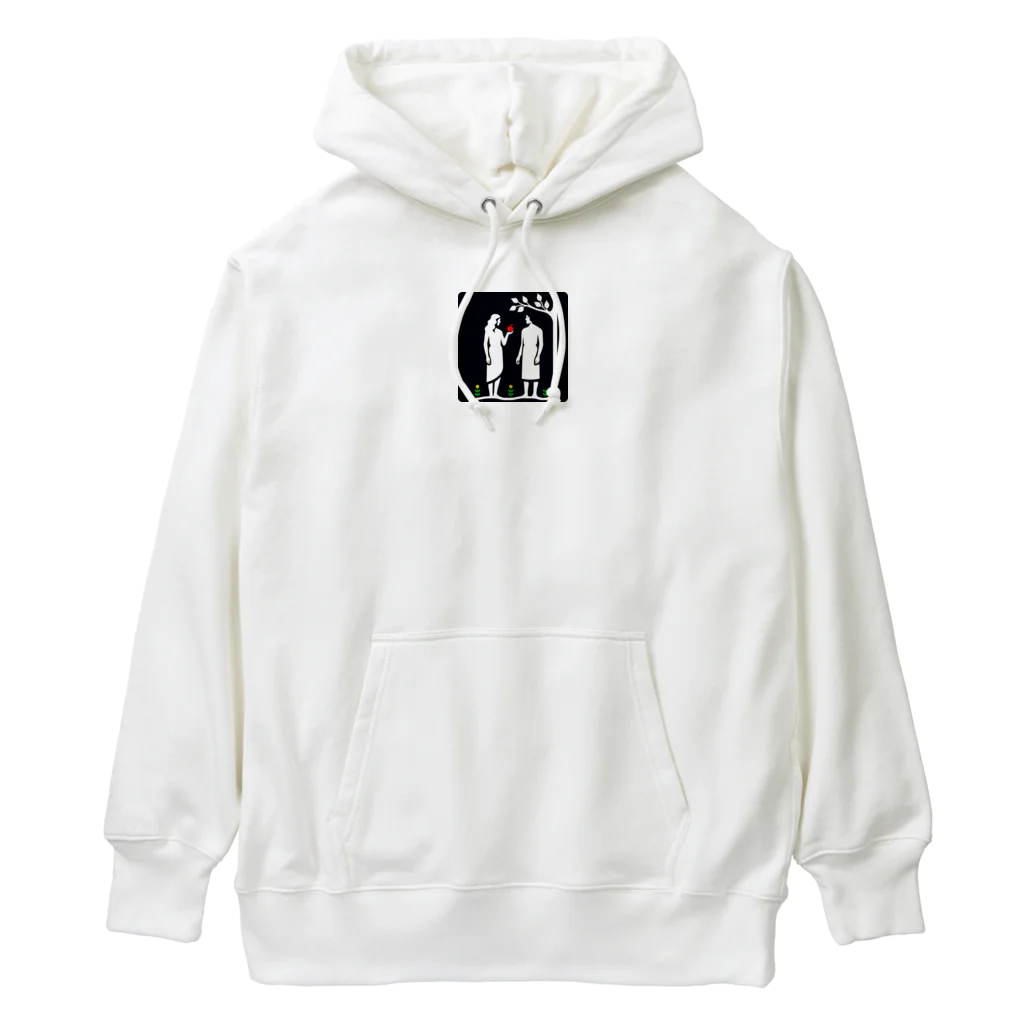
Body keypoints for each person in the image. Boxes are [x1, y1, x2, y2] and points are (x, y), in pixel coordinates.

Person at [516, 315, 544, 398]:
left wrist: (538, 355)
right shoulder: (524, 330)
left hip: (534, 352)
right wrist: (519, 356)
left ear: (531, 318)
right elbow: (521, 344)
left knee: (535, 373)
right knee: (526, 373)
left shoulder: (538, 330)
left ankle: (535, 393)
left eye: (527, 317)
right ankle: (525, 393)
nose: (525, 319)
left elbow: (541, 344)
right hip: (526, 352)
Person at [483, 313, 506, 397]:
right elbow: (485, 344)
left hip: (499, 352)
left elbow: (504, 343)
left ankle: (495, 393)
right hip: (492, 351)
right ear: (495, 321)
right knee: (491, 373)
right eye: (499, 320)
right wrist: (487, 356)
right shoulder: (488, 330)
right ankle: (490, 394)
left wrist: (508, 334)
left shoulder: (500, 331)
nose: (500, 321)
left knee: (498, 371)